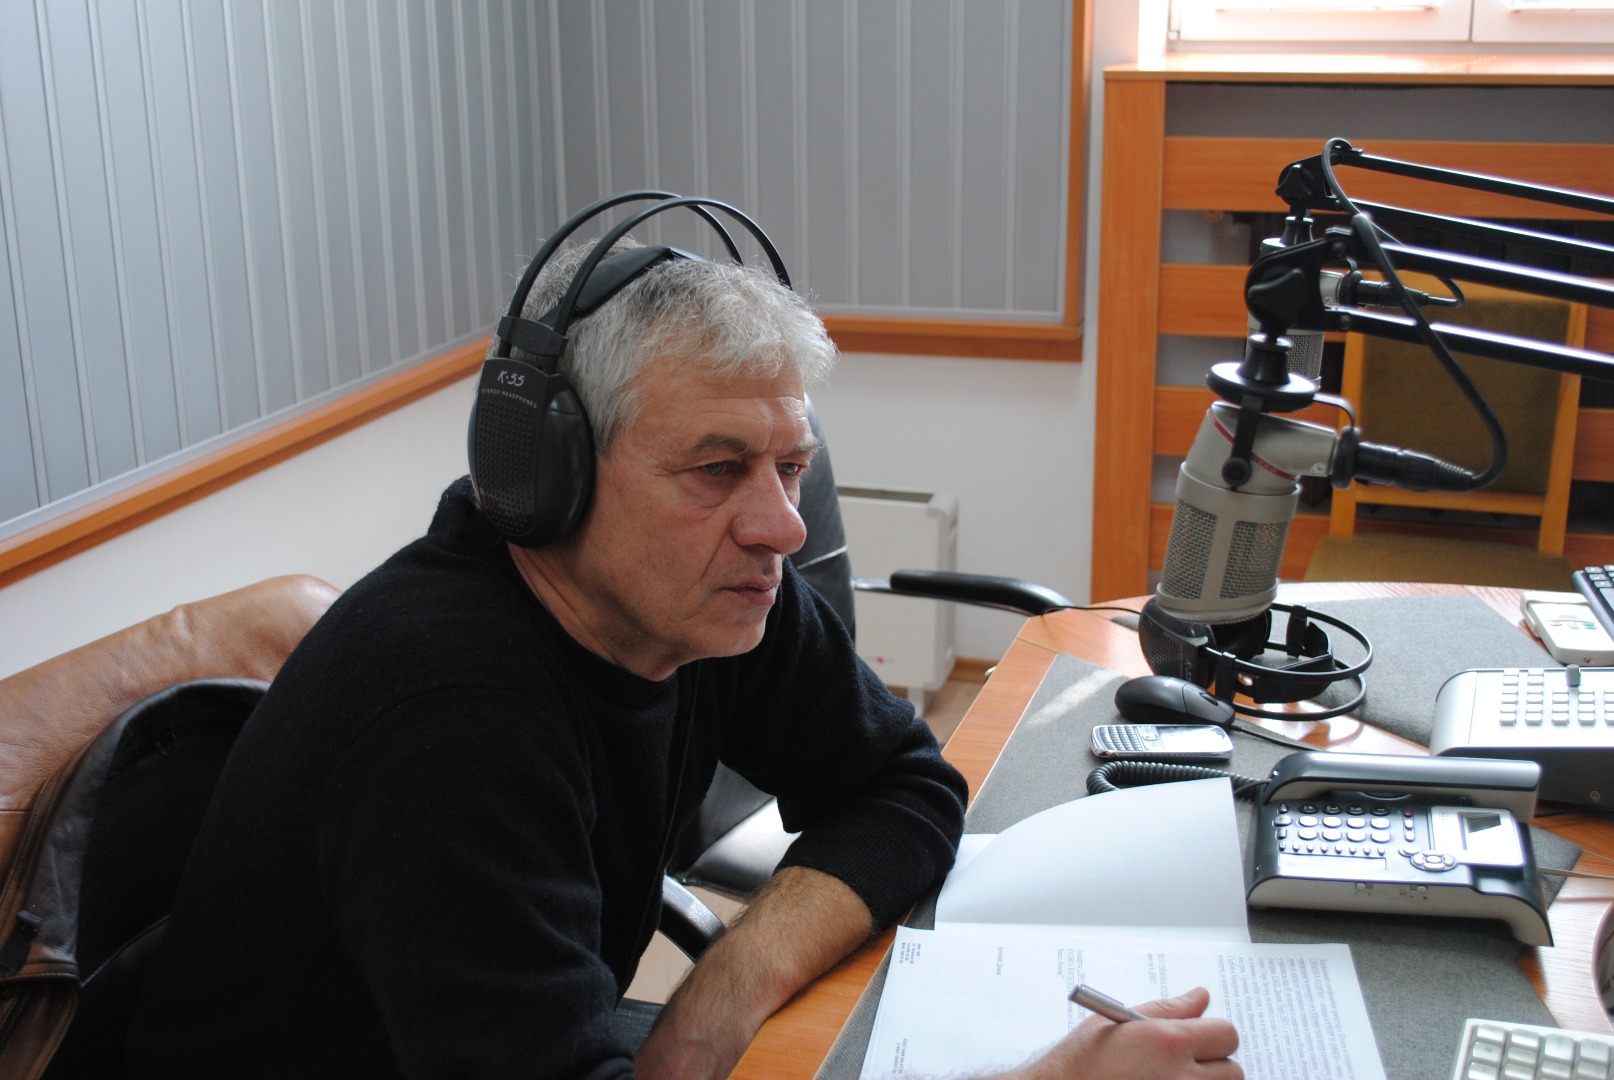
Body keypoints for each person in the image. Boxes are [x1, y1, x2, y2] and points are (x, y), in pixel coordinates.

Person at [127, 218, 1241, 1079]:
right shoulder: (449, 717)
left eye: (790, 467)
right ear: (549, 475)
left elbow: (904, 783)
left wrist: (725, 987)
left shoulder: (711, 592)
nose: (783, 528)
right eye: (717, 470)